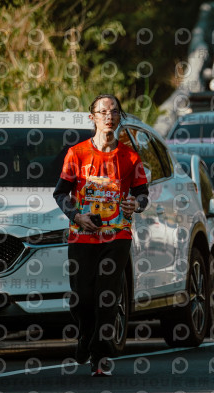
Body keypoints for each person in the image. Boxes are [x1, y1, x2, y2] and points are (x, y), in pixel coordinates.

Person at [53, 94, 149, 376]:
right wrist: (77, 216)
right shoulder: (77, 153)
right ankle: (86, 334)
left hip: (117, 235)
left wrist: (135, 204)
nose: (109, 116)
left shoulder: (130, 157)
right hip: (82, 235)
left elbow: (142, 194)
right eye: (103, 111)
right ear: (92, 117)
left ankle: (100, 355)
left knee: (108, 296)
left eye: (115, 111)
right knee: (82, 296)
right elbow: (60, 193)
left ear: (120, 117)